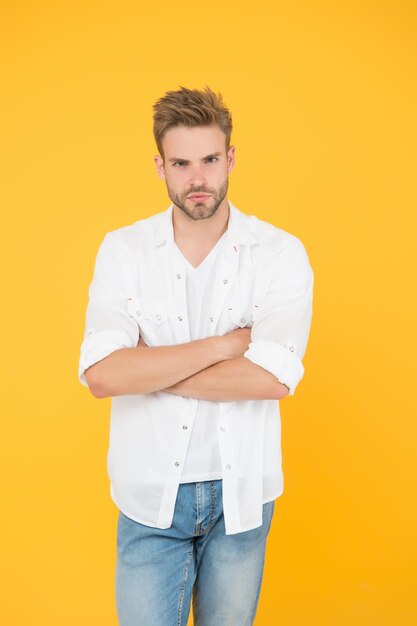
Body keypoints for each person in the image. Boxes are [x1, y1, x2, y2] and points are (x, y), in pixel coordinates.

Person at [78, 85, 314, 626]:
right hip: (148, 499)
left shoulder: (279, 254)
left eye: (209, 159)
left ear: (230, 157)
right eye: (181, 163)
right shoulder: (124, 251)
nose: (198, 178)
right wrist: (225, 346)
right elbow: (102, 375)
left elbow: (271, 380)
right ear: (159, 166)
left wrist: (148, 367)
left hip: (242, 496)